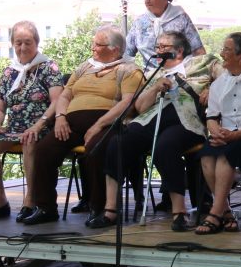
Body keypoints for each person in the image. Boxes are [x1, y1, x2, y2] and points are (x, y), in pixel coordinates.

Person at [93, 32, 219, 230]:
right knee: (118, 142)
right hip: (151, 119)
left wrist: (213, 89)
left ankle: (179, 212)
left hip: (186, 120)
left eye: (164, 47)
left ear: (179, 50)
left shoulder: (203, 62)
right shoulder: (153, 72)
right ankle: (111, 210)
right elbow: (142, 108)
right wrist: (154, 89)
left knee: (165, 146)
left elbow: (229, 76)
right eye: (157, 46)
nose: (159, 50)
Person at [25, 25, 143, 225]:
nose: (93, 48)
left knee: (96, 149)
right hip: (70, 122)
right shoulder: (84, 67)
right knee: (43, 149)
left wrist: (98, 125)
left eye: (98, 44)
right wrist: (61, 117)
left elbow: (127, 103)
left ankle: (99, 208)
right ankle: (45, 207)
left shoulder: (129, 69)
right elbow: (65, 95)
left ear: (114, 49)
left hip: (106, 123)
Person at [0, 21, 65, 222]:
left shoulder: (48, 67)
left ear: (36, 42)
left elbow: (57, 101)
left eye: (28, 42)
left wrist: (37, 125)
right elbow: (0, 108)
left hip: (42, 126)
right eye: (18, 43)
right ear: (12, 44)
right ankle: (0, 201)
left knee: (30, 138)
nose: (23, 48)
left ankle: (30, 201)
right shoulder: (9, 72)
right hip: (15, 127)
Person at [196, 32, 241, 235]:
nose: (222, 53)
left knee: (224, 156)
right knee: (206, 156)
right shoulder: (220, 82)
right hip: (225, 134)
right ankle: (226, 213)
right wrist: (216, 133)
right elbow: (211, 116)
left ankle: (215, 213)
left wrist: (235, 136)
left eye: (227, 50)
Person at [125, 0, 206, 69]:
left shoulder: (181, 18)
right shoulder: (139, 22)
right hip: (150, 79)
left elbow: (199, 52)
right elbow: (126, 54)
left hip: (180, 77)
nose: (147, 0)